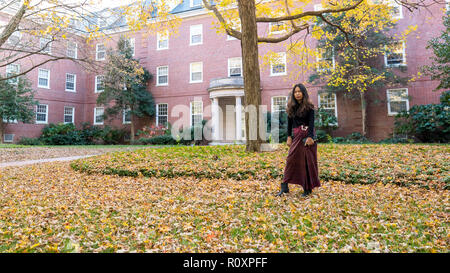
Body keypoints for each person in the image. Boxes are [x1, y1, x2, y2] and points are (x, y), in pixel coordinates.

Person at [276, 83, 321, 197]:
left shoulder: (309, 107)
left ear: (303, 93)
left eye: (299, 91)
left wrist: (310, 137)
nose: (297, 94)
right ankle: (284, 186)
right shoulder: (291, 107)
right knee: (291, 159)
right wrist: (288, 136)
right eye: (295, 92)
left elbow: (311, 123)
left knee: (307, 162)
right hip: (297, 136)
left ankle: (307, 188)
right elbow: (290, 124)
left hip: (307, 137)